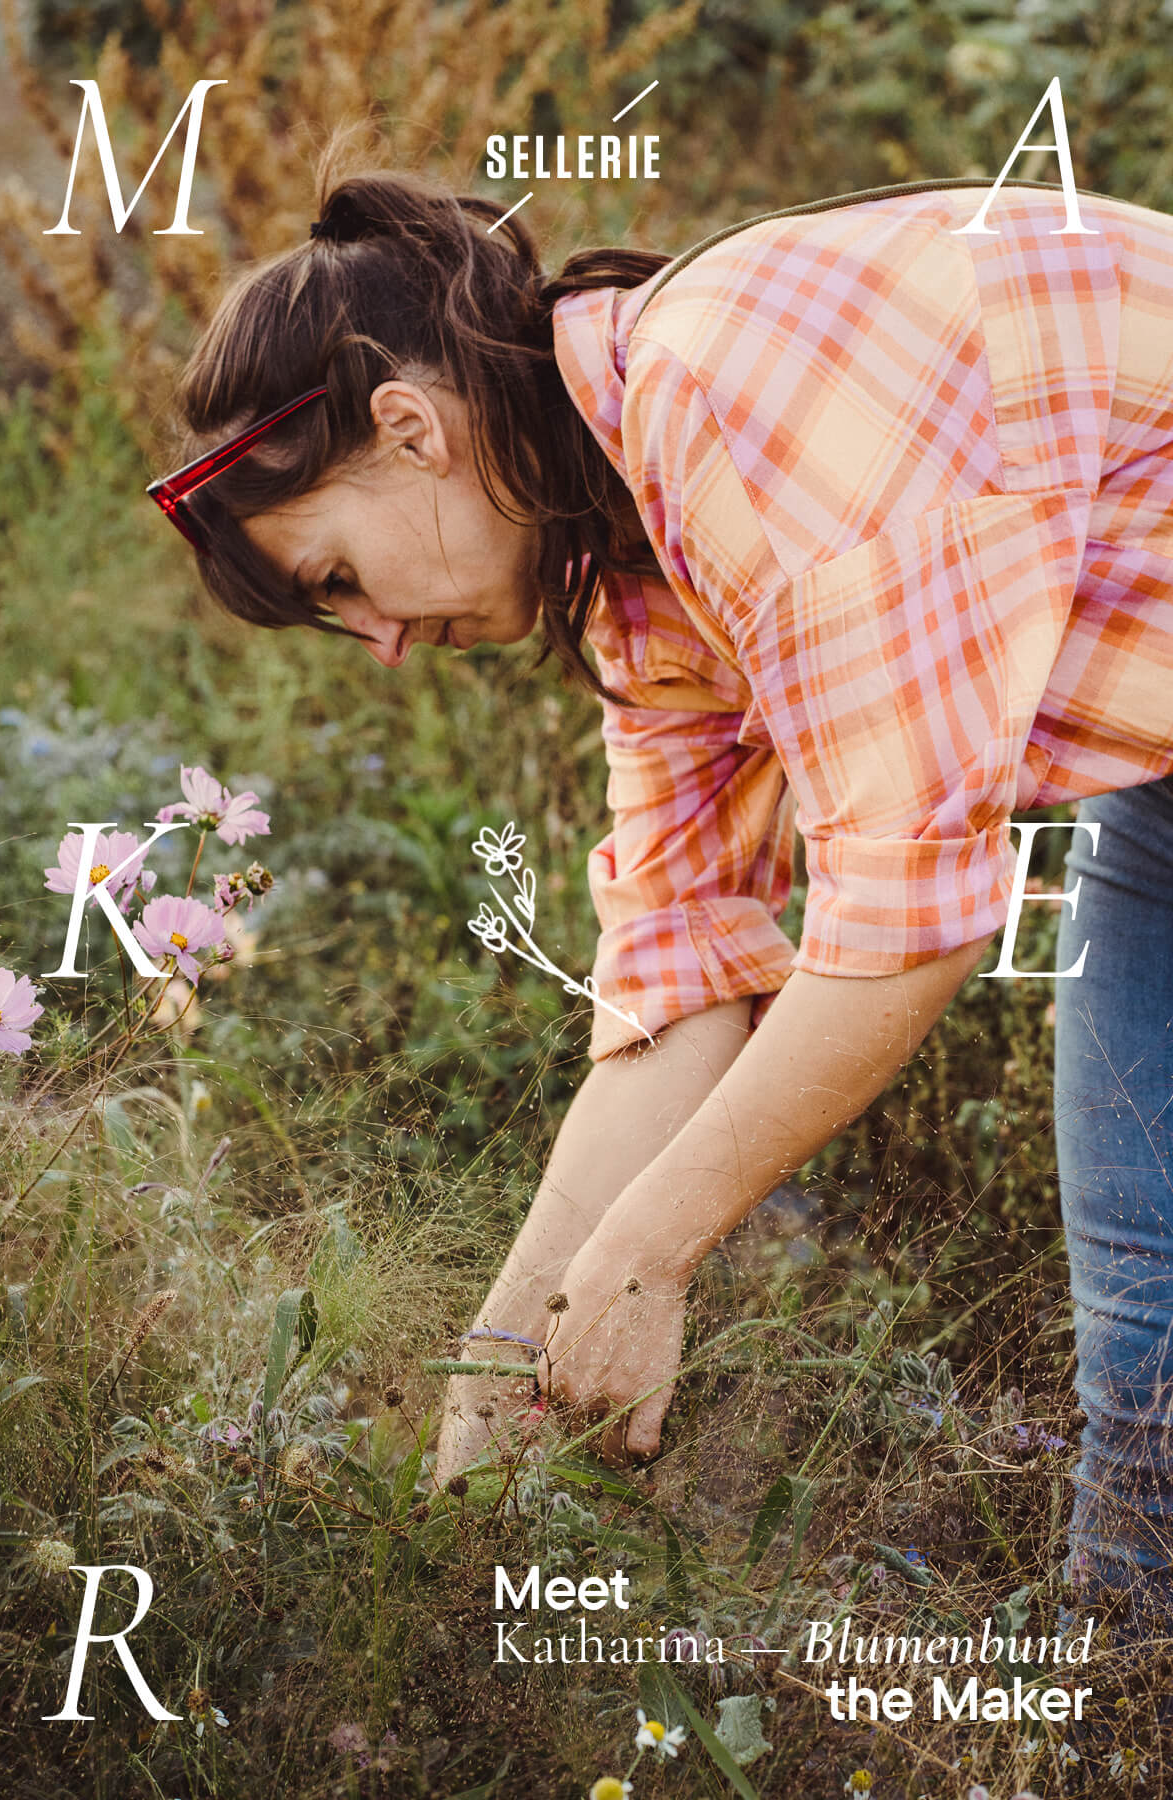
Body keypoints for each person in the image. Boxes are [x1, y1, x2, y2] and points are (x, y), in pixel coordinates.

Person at [148, 142, 1173, 1620]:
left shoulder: (725, 396)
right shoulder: (635, 573)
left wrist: (648, 1256)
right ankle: (1117, 1721)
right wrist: (498, 1364)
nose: (372, 638)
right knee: (1146, 1320)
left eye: (337, 578)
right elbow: (677, 983)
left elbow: (905, 931)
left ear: (409, 429)